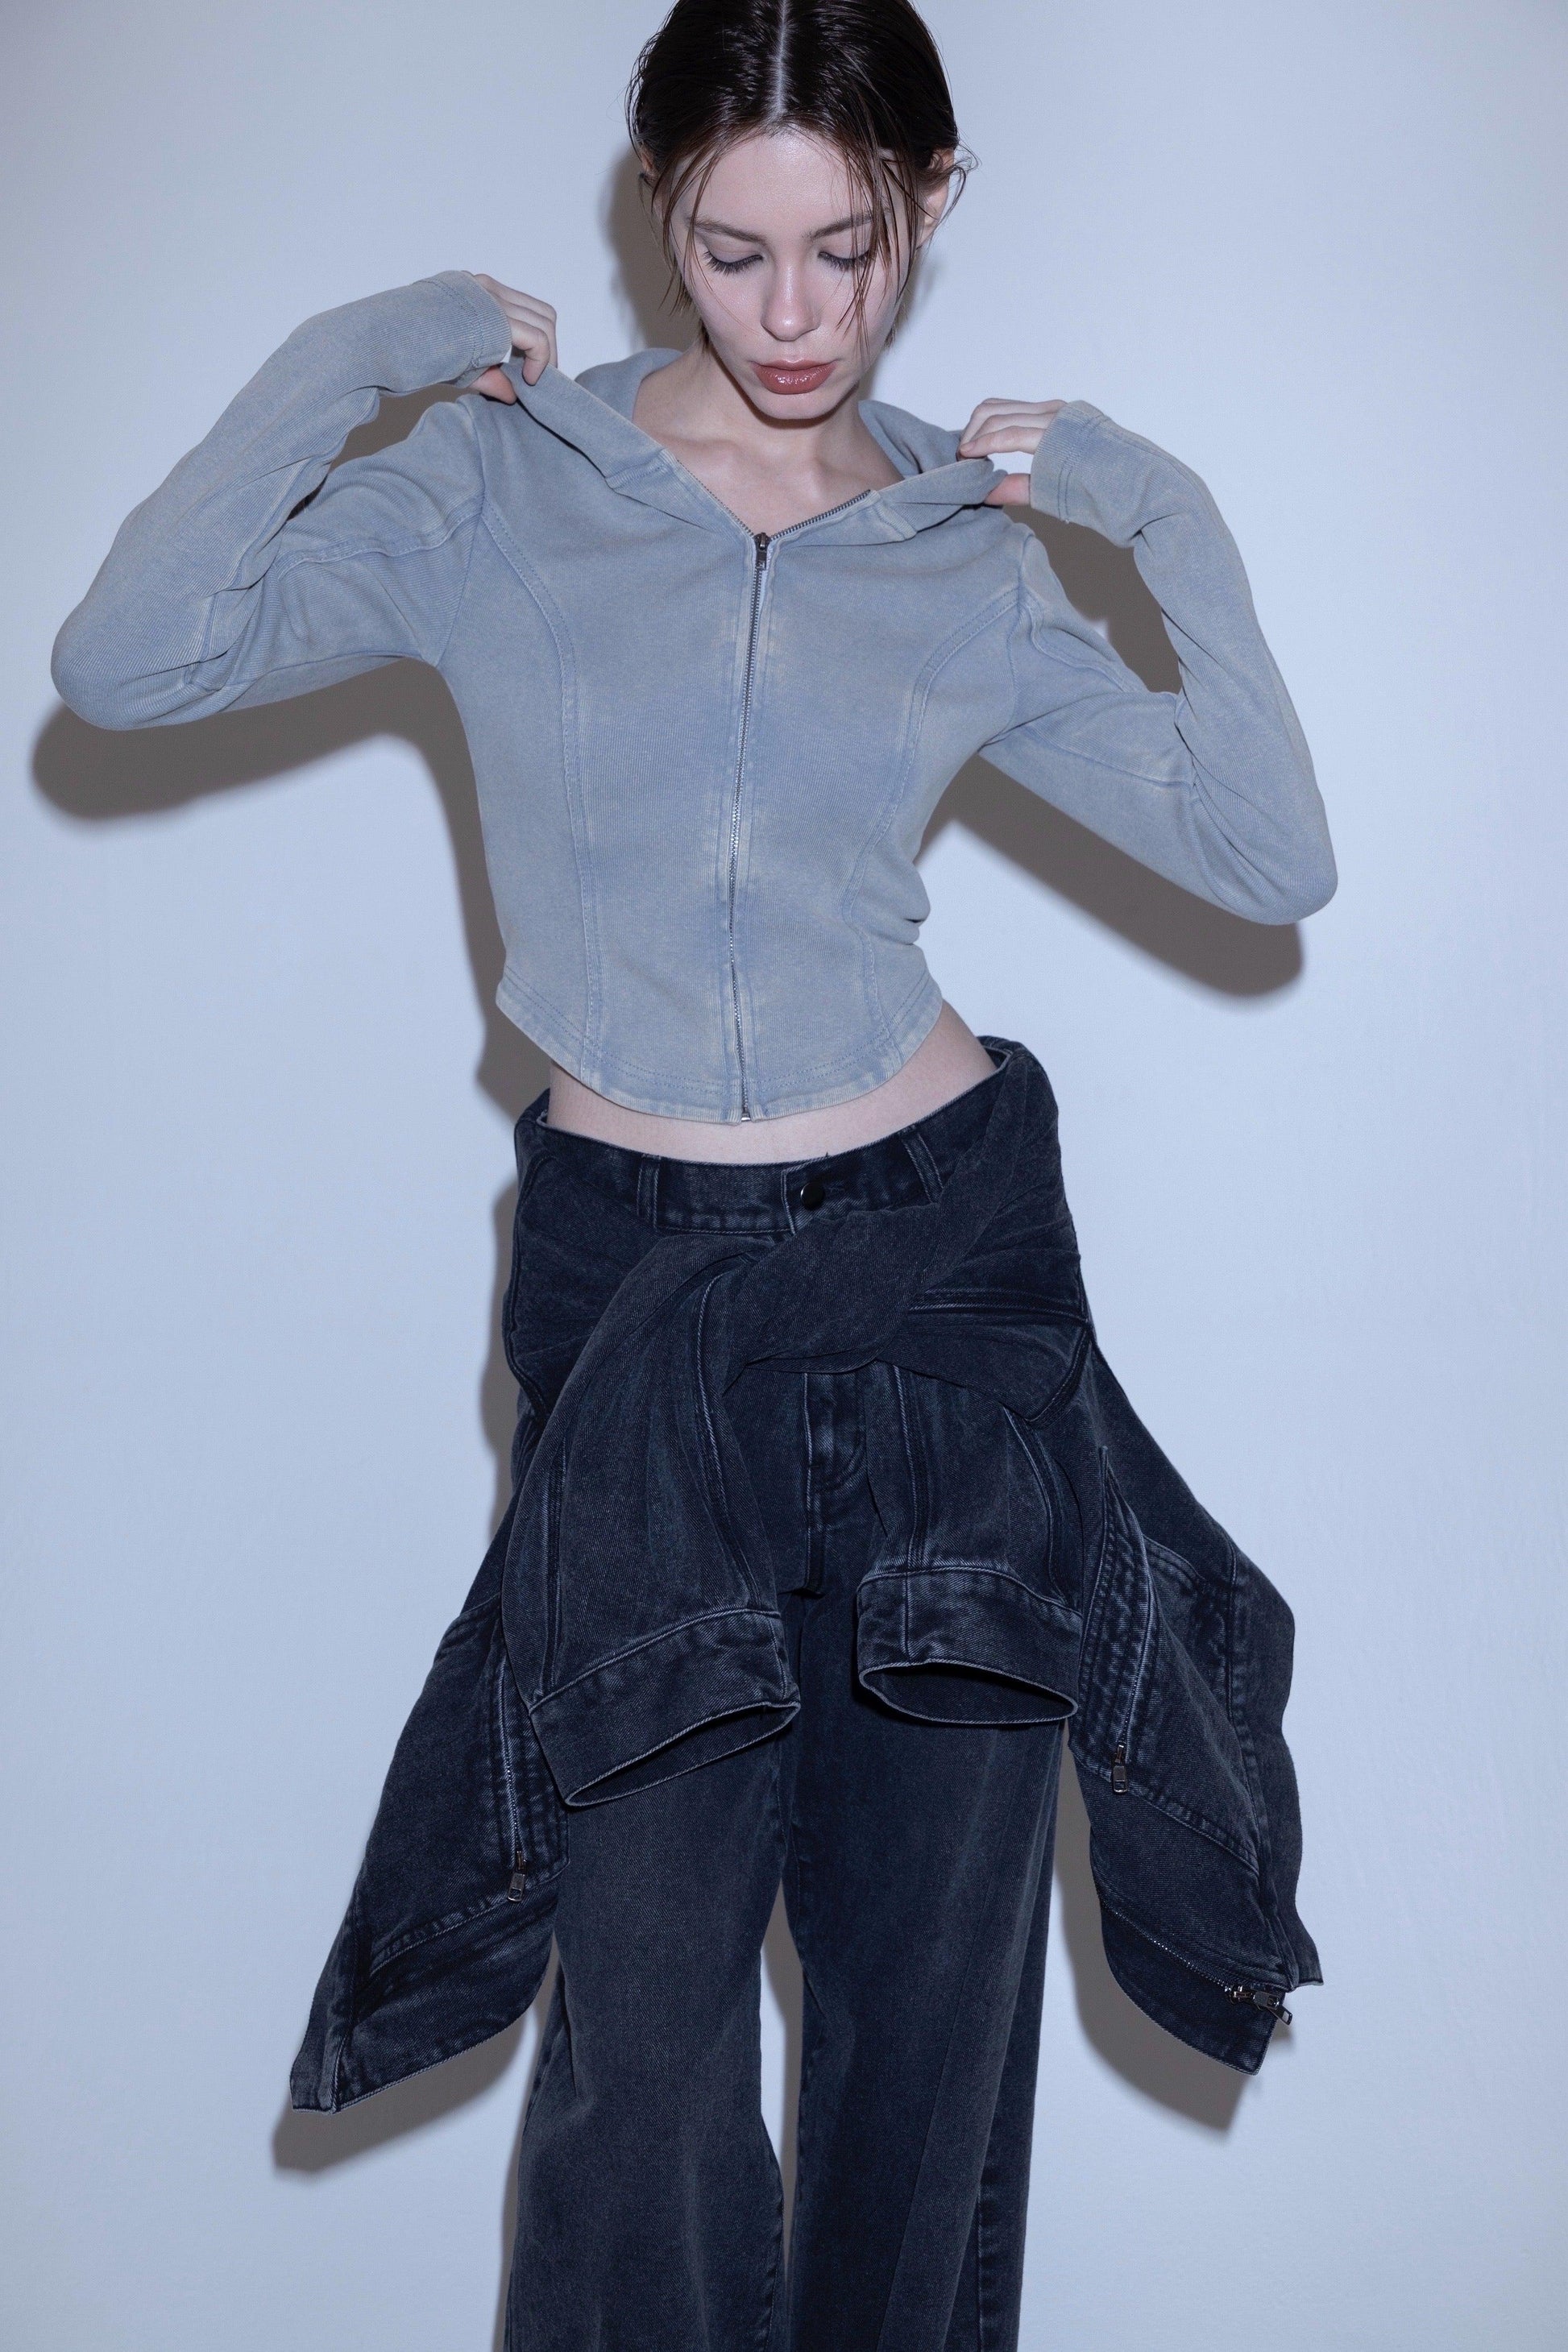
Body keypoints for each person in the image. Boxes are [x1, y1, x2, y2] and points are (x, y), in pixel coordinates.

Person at [50, 0, 1335, 2343]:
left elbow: (1268, 859)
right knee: (639, 2065)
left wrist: (1158, 514)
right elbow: (130, 664)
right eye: (731, 252)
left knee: (923, 2039)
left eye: (847, 249)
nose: (791, 316)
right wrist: (364, 357)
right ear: (656, 213)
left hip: (946, 1291)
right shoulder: (497, 488)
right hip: (637, 1293)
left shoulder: (960, 545)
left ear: (928, 204)